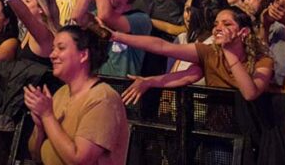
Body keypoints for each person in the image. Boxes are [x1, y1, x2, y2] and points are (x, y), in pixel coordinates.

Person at [24, 25, 128, 165]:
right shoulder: (60, 94)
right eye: (54, 48)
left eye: (61, 48)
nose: (52, 55)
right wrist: (40, 126)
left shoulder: (102, 99)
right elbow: (36, 156)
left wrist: (48, 116)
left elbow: (78, 164)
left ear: (83, 55)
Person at [113, 6, 274, 101]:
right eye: (216, 24)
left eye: (227, 24)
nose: (218, 28)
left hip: (250, 135)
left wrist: (228, 52)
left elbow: (250, 93)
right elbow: (164, 47)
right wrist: (115, 36)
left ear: (243, 32)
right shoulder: (209, 53)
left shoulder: (263, 61)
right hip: (216, 130)